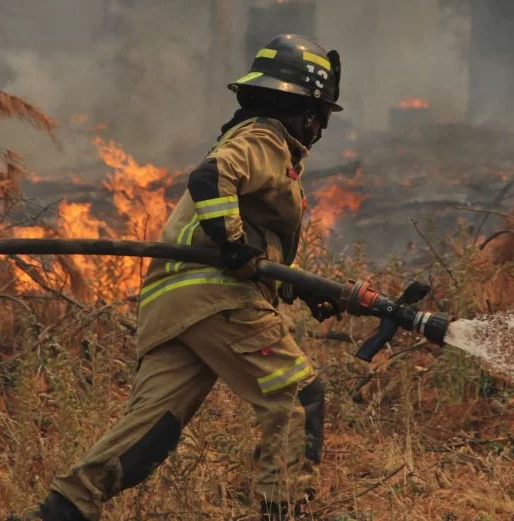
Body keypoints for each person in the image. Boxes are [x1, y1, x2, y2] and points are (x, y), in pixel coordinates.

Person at [20, 35, 343, 521]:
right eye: (319, 115)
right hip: (218, 297)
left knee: (150, 432)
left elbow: (258, 248)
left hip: (175, 305)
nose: (319, 128)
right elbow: (211, 180)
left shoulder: (257, 142)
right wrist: (233, 246)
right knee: (297, 395)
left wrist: (302, 286)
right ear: (304, 109)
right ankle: (285, 510)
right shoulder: (266, 139)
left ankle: (60, 512)